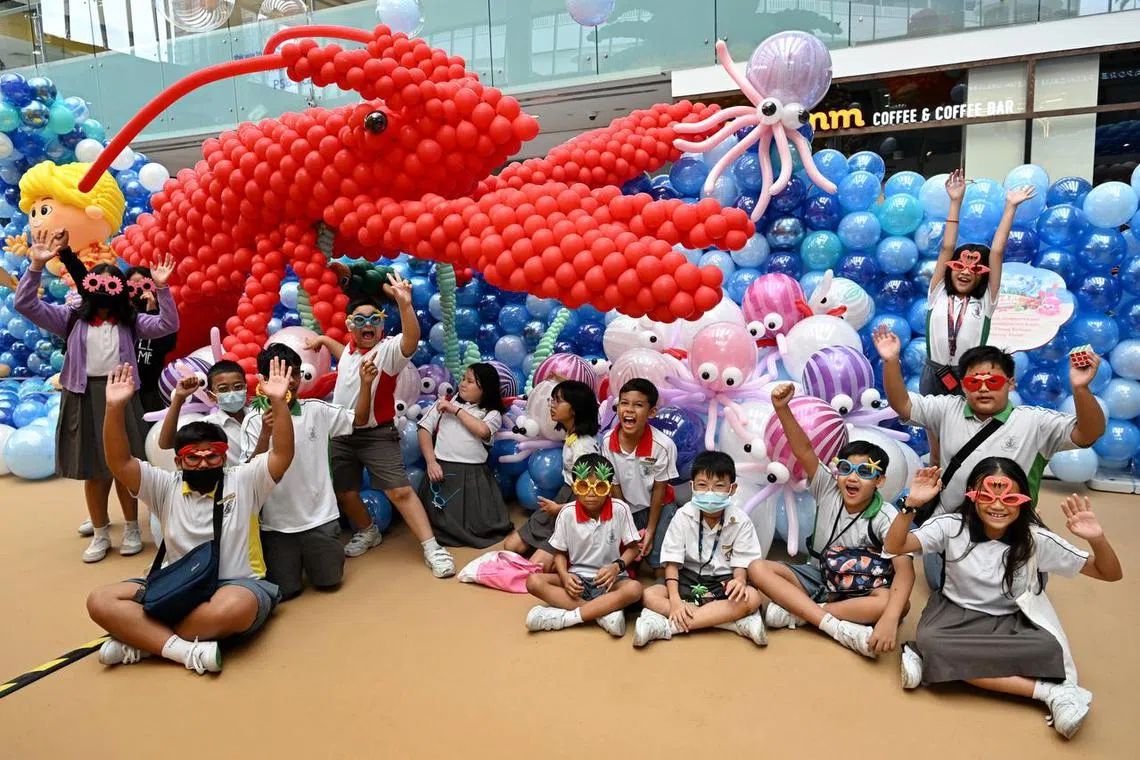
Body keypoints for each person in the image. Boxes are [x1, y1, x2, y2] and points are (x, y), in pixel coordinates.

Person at [885, 458, 1122, 739]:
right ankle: (1050, 692)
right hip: (954, 614)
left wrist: (1097, 538)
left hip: (1013, 618)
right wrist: (912, 504)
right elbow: (895, 545)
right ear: (971, 496)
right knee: (933, 641)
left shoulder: (1036, 539)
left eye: (1010, 498)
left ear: (1024, 500)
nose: (997, 506)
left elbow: (1109, 573)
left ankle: (931, 661)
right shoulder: (950, 526)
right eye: (986, 496)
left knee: (1048, 649)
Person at [85, 358, 294, 675]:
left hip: (235, 585)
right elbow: (119, 462)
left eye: (212, 456)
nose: (203, 462)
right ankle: (181, 651)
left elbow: (282, 454)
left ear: (223, 457)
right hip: (175, 584)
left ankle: (143, 640)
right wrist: (114, 408)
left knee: (234, 610)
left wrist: (278, 402)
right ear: (179, 462)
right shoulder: (164, 485)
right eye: (192, 457)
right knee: (100, 601)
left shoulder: (245, 479)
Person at [14, 228, 178, 562]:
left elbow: (167, 325)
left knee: (126, 466)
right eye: (96, 283)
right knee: (94, 469)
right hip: (84, 395)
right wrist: (35, 266)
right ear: (88, 288)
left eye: (110, 283)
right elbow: (25, 304)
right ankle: (102, 532)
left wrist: (162, 288)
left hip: (121, 396)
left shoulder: (130, 322)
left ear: (120, 290)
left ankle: (132, 526)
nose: (103, 290)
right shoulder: (70, 318)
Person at [747, 383, 915, 658]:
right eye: (846, 468)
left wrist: (888, 619)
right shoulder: (827, 487)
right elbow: (803, 450)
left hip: (858, 589)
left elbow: (905, 571)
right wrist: (782, 409)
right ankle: (834, 626)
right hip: (818, 575)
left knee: (895, 604)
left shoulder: (887, 516)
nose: (852, 477)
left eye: (864, 472)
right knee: (758, 569)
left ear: (880, 481)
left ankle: (801, 615)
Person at [310, 274, 455, 577]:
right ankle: (368, 530)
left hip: (377, 434)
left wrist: (405, 305)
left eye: (373, 319)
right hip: (341, 433)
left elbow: (411, 339)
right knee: (345, 492)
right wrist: (324, 340)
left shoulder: (388, 351)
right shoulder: (350, 350)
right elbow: (344, 356)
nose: (367, 325)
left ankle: (432, 548)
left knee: (400, 491)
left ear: (381, 324)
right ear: (350, 325)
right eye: (359, 320)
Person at [921, 170, 1037, 463]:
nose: (965, 271)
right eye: (959, 266)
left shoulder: (985, 301)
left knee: (967, 434)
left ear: (981, 277)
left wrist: (1010, 207)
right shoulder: (937, 294)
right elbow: (947, 247)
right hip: (934, 372)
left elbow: (996, 253)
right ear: (949, 269)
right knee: (934, 437)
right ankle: (935, 478)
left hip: (967, 376)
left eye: (974, 270)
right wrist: (955, 201)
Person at [241, 344, 370, 601]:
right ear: (263, 380)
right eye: (280, 376)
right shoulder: (253, 419)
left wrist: (365, 384)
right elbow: (248, 474)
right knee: (287, 592)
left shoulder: (316, 409)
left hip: (320, 518)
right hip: (276, 525)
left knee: (330, 582)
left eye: (295, 374)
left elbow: (360, 419)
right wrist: (265, 434)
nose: (289, 382)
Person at [633, 451, 767, 648]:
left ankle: (669, 627)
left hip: (723, 582)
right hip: (685, 578)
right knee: (649, 595)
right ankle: (728, 623)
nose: (710, 492)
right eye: (703, 485)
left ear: (732, 489)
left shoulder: (741, 520)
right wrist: (676, 601)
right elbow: (671, 563)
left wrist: (739, 580)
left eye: (719, 486)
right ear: (692, 486)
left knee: (753, 597)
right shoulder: (682, 515)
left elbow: (741, 564)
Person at [523, 454, 643, 637]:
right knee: (533, 581)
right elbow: (559, 553)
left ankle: (568, 618)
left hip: (610, 580)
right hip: (578, 578)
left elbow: (634, 548)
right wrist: (564, 576)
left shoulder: (620, 509)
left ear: (609, 489)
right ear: (575, 488)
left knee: (635, 589)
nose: (591, 494)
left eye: (600, 487)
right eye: (584, 486)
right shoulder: (567, 513)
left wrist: (616, 567)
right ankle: (600, 614)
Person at [503, 379, 600, 567]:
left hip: (578, 504)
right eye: (552, 400)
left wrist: (562, 510)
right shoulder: (572, 435)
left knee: (537, 567)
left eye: (558, 401)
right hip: (563, 495)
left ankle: (570, 554)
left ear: (575, 409)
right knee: (510, 546)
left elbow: (591, 494)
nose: (552, 405)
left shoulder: (584, 446)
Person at [417, 362, 511, 548]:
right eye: (463, 378)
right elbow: (423, 430)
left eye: (470, 381)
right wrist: (431, 462)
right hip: (441, 471)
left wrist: (456, 410)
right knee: (437, 518)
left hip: (472, 477)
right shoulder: (444, 402)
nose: (463, 384)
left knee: (479, 524)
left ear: (485, 389)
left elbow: (482, 431)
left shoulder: (491, 414)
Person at [602, 378, 678, 573]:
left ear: (652, 412)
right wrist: (628, 526)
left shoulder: (663, 446)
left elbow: (660, 490)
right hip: (625, 508)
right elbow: (614, 485)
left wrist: (651, 531)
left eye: (638, 405)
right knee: (624, 564)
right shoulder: (607, 441)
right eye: (624, 403)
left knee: (659, 567)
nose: (628, 410)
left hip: (657, 508)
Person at [158, 360, 250, 467]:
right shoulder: (206, 425)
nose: (232, 393)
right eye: (223, 389)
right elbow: (166, 443)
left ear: (246, 388)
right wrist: (179, 398)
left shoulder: (260, 415)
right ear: (211, 396)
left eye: (238, 387)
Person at [124, 265, 178, 415]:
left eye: (143, 284)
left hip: (152, 385)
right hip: (126, 383)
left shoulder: (165, 314)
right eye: (132, 285)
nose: (139, 290)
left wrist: (152, 311)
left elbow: (167, 345)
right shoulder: (123, 314)